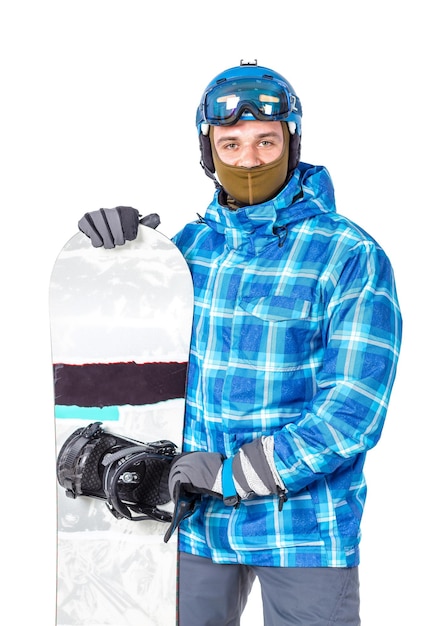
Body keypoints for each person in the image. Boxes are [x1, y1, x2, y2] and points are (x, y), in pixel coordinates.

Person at [78, 60, 402, 626]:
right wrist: (121, 258)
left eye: (265, 141)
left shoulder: (349, 255)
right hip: (193, 526)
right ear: (207, 152)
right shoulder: (186, 251)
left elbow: (353, 413)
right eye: (231, 144)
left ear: (292, 142)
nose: (249, 160)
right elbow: (142, 363)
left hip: (302, 530)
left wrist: (231, 473)